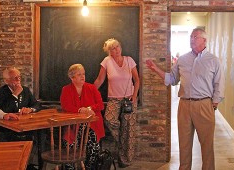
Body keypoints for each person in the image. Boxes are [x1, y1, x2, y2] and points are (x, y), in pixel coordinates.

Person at [146, 28, 225, 170]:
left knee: (207, 146)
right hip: (184, 106)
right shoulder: (182, 59)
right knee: (184, 144)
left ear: (204, 40)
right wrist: (155, 69)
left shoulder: (213, 60)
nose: (192, 39)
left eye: (195, 37)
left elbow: (219, 83)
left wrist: (214, 103)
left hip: (204, 105)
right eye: (191, 37)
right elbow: (172, 79)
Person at [94, 38, 140, 168]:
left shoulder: (129, 60)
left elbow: (137, 80)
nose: (116, 50)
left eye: (118, 46)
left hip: (129, 99)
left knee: (129, 129)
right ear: (109, 52)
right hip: (114, 99)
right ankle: (122, 142)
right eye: (113, 48)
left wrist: (135, 95)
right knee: (109, 120)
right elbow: (99, 80)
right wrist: (88, 92)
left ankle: (125, 161)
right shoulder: (107, 61)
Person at [60, 64, 105, 170]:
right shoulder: (66, 89)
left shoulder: (91, 88)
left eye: (83, 74)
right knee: (68, 143)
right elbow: (66, 106)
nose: (82, 76)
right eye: (79, 74)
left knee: (93, 145)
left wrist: (89, 108)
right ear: (72, 78)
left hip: (92, 125)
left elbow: (100, 105)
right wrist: (80, 110)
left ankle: (90, 167)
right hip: (74, 125)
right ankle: (70, 168)